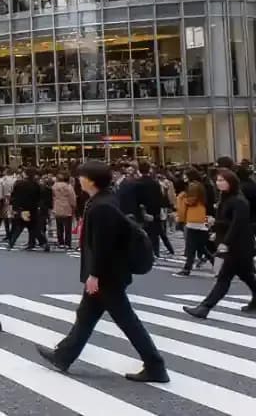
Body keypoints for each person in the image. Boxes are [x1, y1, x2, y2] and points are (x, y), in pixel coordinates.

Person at [35, 161, 168, 383]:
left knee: (127, 321)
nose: (78, 180)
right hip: (109, 273)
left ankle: (155, 365)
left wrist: (95, 275)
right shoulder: (103, 199)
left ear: (90, 180)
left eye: (81, 177)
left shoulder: (102, 206)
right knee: (86, 316)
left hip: (108, 275)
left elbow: (103, 246)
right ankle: (64, 356)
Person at [182, 167, 256, 316]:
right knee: (246, 275)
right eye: (218, 180)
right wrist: (215, 226)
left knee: (224, 278)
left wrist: (225, 242)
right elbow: (227, 222)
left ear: (231, 182)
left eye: (223, 180)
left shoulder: (238, 201)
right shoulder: (226, 198)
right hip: (236, 244)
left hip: (239, 245)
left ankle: (204, 307)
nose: (219, 183)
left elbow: (238, 224)